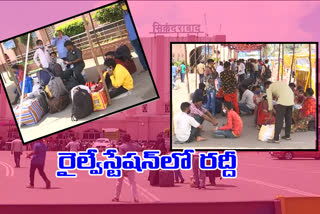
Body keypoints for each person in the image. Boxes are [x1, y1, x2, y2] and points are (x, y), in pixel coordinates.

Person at [112, 134, 141, 203]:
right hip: (131, 165)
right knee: (133, 183)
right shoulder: (134, 146)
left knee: (119, 182)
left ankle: (117, 197)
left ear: (123, 139)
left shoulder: (121, 147)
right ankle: (135, 198)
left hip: (123, 165)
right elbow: (140, 147)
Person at [120, 2, 148, 72]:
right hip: (132, 38)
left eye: (124, 4)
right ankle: (145, 67)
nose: (123, 5)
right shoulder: (124, 14)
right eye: (121, 4)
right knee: (139, 53)